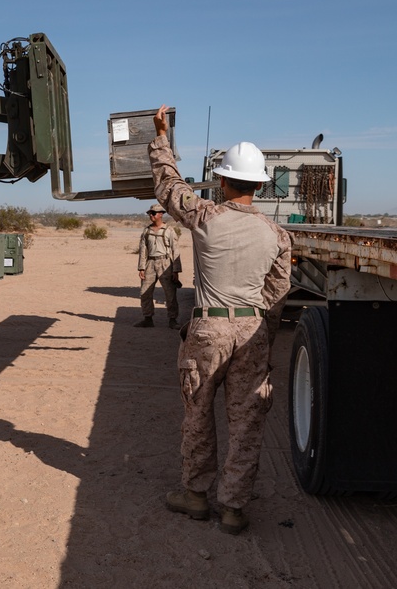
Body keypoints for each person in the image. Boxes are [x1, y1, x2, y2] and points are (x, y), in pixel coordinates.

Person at [148, 104, 291, 535]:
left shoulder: (205, 217)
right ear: (260, 186)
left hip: (208, 329)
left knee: (198, 412)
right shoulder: (277, 234)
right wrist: (261, 330)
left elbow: (168, 186)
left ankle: (195, 496)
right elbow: (278, 293)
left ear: (223, 180)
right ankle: (232, 508)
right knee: (246, 422)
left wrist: (161, 137)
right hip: (252, 331)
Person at [135, 203, 181, 329]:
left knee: (170, 293)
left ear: (161, 214)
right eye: (150, 213)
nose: (151, 215)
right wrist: (141, 267)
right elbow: (143, 249)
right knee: (145, 292)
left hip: (165, 263)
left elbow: (175, 250)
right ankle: (147, 318)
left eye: (153, 213)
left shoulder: (169, 231)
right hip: (150, 263)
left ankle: (173, 320)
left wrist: (176, 270)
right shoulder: (146, 231)